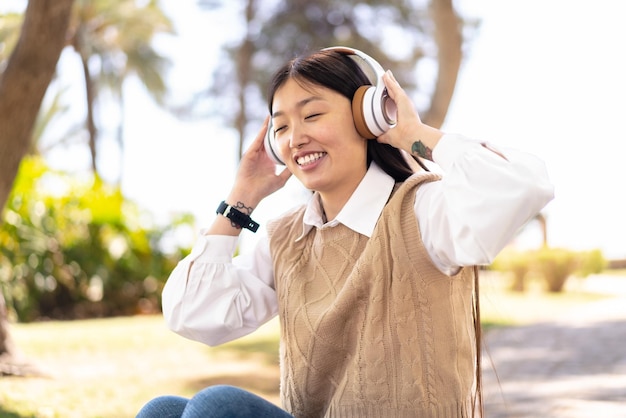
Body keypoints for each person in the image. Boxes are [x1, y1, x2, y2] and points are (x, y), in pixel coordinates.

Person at [136, 46, 554, 418]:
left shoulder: (421, 212)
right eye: (281, 128)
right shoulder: (287, 238)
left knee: (216, 406)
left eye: (312, 115)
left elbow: (522, 185)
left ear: (366, 118)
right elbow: (192, 313)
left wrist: (413, 135)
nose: (296, 138)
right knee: (162, 412)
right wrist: (241, 196)